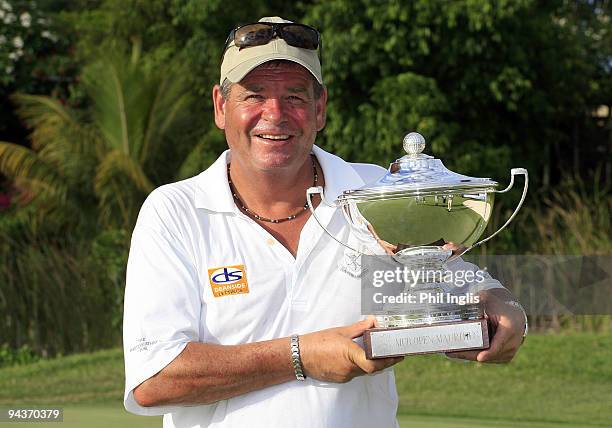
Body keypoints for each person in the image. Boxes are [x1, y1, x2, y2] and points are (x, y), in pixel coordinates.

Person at [123, 16, 528, 428]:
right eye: (254, 95)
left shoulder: (374, 191)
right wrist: (301, 357)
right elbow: (153, 378)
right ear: (220, 107)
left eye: (295, 97)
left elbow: (447, 274)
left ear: (320, 109)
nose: (275, 114)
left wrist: (507, 310)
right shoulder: (174, 211)